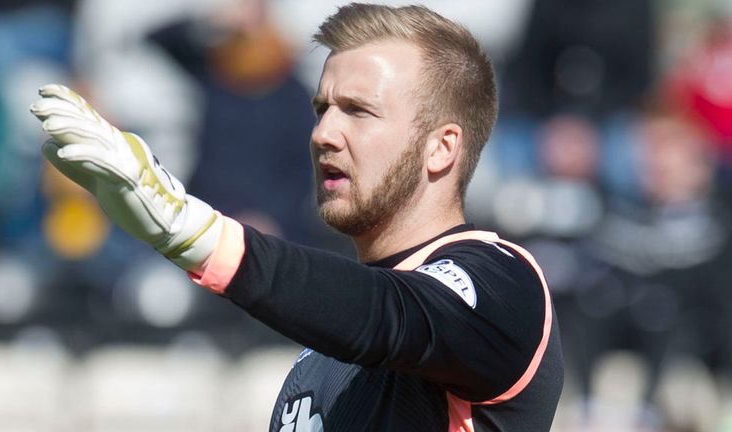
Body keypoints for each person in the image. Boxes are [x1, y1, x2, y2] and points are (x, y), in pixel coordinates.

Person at [30, 3, 563, 431]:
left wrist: (192, 233)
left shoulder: (500, 281)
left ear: (441, 148)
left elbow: (393, 316)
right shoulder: (315, 360)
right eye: (321, 109)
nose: (324, 134)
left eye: (358, 110)